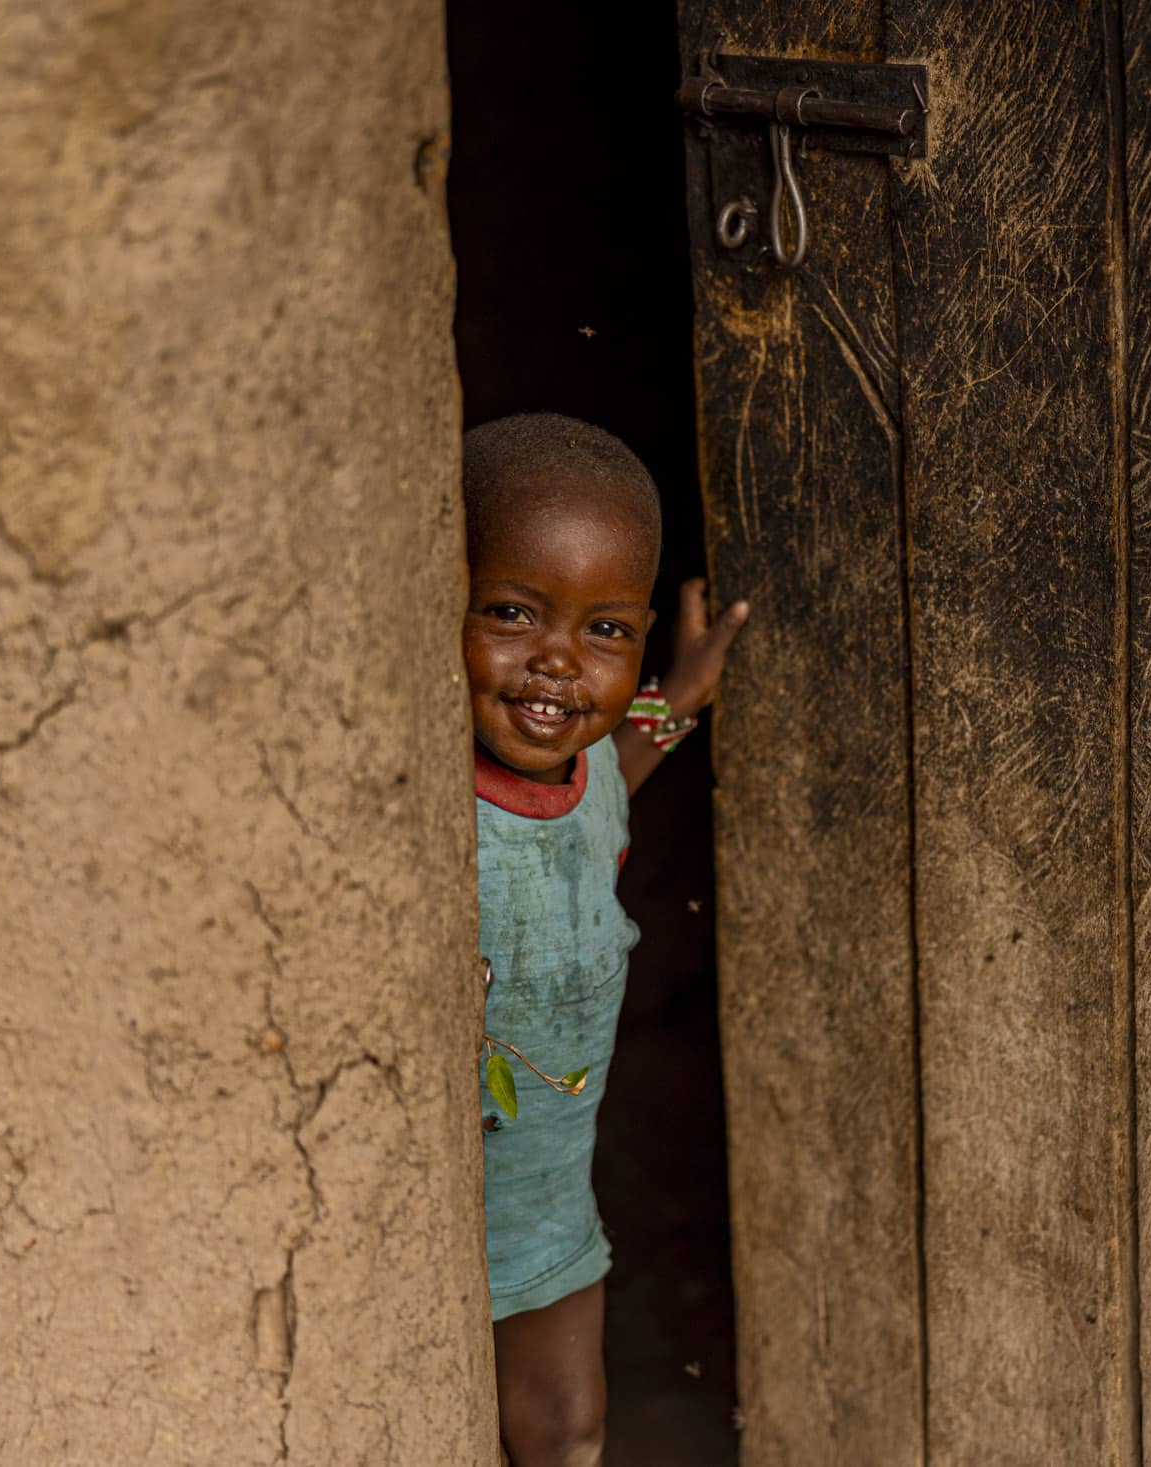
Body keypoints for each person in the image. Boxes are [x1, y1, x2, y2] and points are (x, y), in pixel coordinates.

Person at [462, 412, 747, 1466]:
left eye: (606, 631)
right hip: (435, 1203)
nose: (556, 663)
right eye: (510, 612)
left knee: (567, 1425)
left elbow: (610, 793)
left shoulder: (581, 790)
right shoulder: (441, 813)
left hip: (545, 1203)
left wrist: (680, 696)